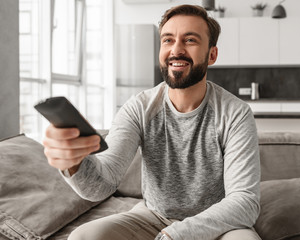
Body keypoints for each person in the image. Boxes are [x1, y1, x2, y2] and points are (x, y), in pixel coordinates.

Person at [43, 4, 261, 240]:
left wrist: (177, 235)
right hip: (153, 218)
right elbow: (101, 186)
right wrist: (74, 163)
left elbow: (244, 201)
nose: (176, 50)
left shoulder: (236, 113)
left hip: (216, 224)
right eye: (168, 40)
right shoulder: (139, 108)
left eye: (190, 40)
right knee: (82, 237)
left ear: (212, 55)